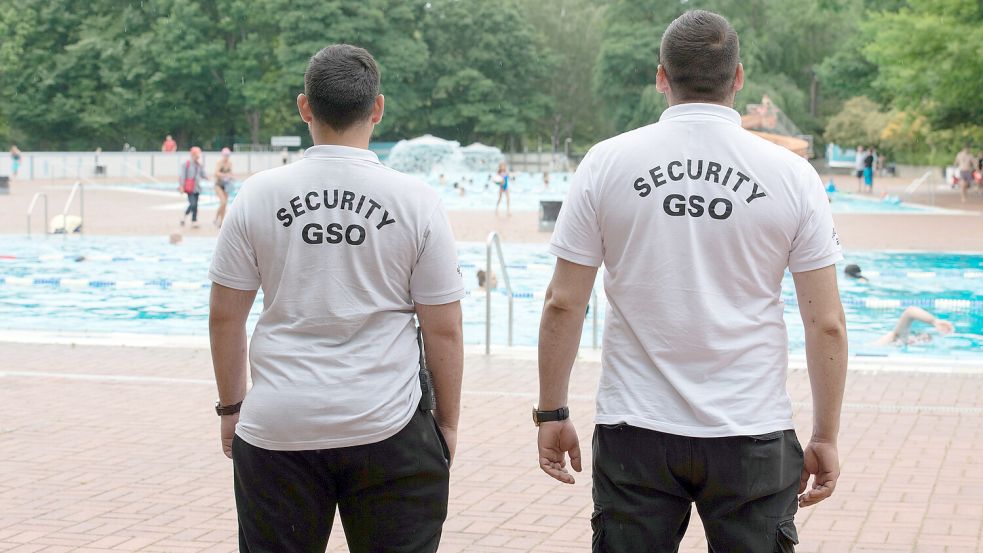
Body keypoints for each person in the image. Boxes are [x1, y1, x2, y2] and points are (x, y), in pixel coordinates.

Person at [535, 10, 847, 552]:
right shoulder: (792, 175)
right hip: (751, 430)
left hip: (636, 428)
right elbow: (827, 324)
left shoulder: (608, 163)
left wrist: (553, 412)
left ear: (662, 76)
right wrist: (824, 437)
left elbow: (564, 302)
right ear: (739, 77)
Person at [208, 44, 464, 553]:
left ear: (305, 107)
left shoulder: (257, 196)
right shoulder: (416, 201)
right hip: (387, 424)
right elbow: (445, 329)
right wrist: (447, 423)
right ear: (378, 108)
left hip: (278, 425)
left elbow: (224, 317)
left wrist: (232, 407)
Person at [875, 306, 954, 346]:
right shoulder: (898, 338)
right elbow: (910, 311)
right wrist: (934, 321)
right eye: (920, 339)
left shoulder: (900, 342)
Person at [178, 146, 206, 228]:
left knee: (195, 205)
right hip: (189, 188)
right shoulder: (186, 164)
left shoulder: (199, 165)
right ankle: (185, 216)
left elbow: (203, 175)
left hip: (197, 188)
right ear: (193, 154)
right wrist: (181, 186)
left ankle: (194, 220)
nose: (198, 156)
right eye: (197, 154)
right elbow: (182, 176)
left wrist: (206, 175)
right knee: (193, 204)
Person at [214, 147, 234, 227]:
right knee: (223, 202)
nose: (226, 157)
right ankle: (216, 218)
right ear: (223, 155)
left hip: (226, 185)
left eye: (228, 155)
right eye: (225, 155)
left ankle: (221, 222)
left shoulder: (230, 163)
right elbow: (216, 173)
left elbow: (231, 173)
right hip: (219, 185)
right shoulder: (220, 163)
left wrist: (230, 176)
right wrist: (224, 175)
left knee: (225, 204)